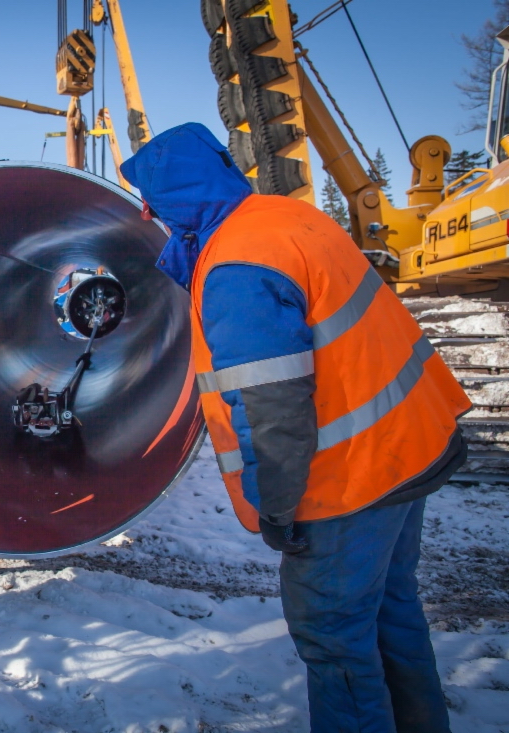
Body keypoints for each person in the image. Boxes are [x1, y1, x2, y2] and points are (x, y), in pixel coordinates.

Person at [120, 123, 470, 733]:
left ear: (171, 201)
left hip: (348, 485)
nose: (149, 215)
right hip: (409, 449)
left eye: (152, 202)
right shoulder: (284, 218)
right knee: (392, 615)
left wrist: (276, 507)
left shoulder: (235, 271)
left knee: (335, 642)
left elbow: (271, 408)